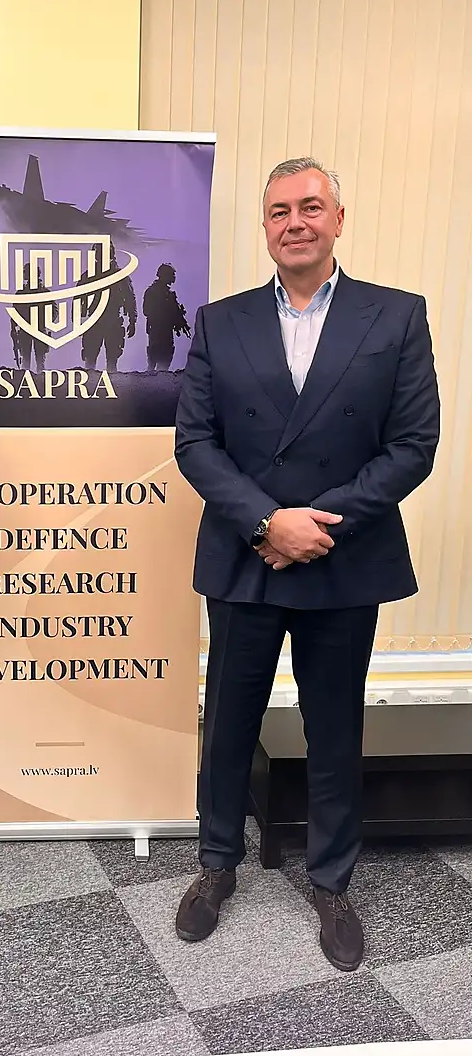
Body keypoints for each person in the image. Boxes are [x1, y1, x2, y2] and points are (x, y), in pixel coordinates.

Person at [174, 157, 440, 971]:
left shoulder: (395, 315)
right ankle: (215, 866)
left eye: (310, 207)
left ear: (337, 218)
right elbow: (195, 442)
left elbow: (412, 444)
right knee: (228, 725)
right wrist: (268, 522)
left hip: (341, 553)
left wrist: (316, 524)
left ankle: (331, 882)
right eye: (279, 210)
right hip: (246, 552)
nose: (294, 222)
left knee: (333, 728)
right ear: (264, 226)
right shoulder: (219, 321)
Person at [78, 242, 137, 372]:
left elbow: (130, 298)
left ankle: (110, 382)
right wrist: (77, 323)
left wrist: (133, 320)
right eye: (99, 253)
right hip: (95, 321)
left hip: (112, 320)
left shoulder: (119, 275)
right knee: (90, 360)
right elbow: (78, 299)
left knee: (111, 360)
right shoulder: (89, 276)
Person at [142, 262, 190, 372]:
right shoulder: (152, 292)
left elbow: (175, 312)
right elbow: (146, 311)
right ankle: (152, 376)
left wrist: (179, 320)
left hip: (165, 329)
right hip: (157, 329)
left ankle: (158, 376)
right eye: (171, 274)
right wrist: (165, 312)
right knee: (156, 356)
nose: (173, 277)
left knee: (165, 357)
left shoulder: (169, 294)